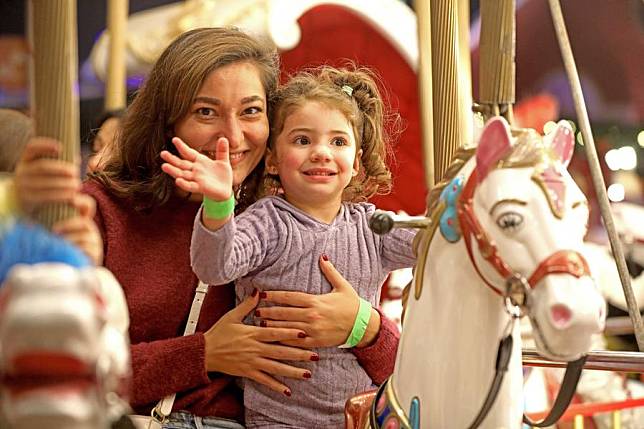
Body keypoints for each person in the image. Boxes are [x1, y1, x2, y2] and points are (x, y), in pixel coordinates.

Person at [83, 27, 400, 428]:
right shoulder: (105, 211)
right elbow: (60, 369)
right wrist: (204, 354)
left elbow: (401, 376)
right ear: (167, 120)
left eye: (251, 112)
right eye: (205, 112)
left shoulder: (282, 217)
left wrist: (367, 327)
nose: (232, 137)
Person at [161, 65, 416, 428]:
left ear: (356, 163)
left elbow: (433, 243)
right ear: (273, 160)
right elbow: (214, 266)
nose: (321, 153)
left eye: (338, 142)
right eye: (302, 140)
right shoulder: (268, 222)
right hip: (279, 419)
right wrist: (218, 205)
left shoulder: (373, 227)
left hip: (361, 417)